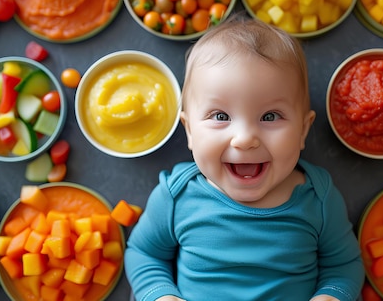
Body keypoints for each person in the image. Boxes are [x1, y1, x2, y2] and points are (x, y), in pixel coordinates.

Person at [124, 16, 365, 301]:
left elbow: (343, 266)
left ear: (303, 130)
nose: (245, 138)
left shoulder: (318, 198)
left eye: (270, 116)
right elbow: (144, 254)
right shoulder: (177, 196)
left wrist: (332, 295)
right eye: (221, 117)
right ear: (189, 130)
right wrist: (159, 295)